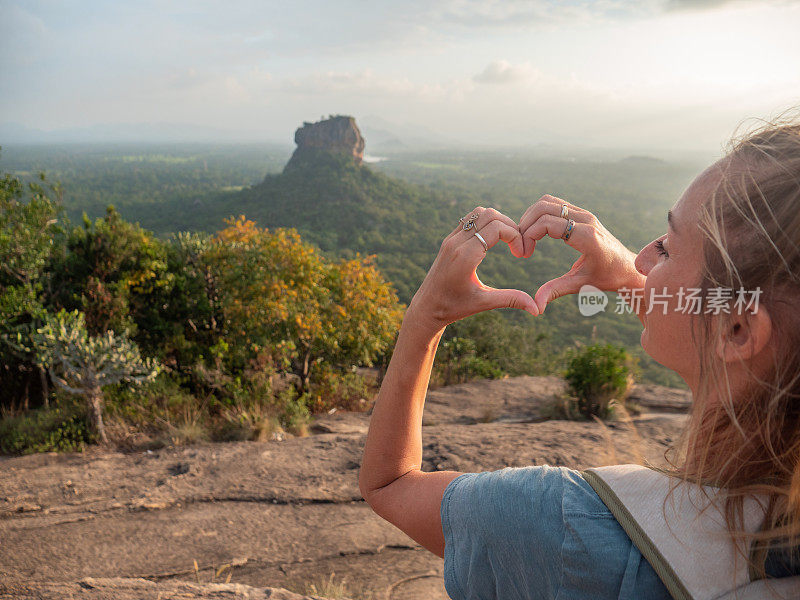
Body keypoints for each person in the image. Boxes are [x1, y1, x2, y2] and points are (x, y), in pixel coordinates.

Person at [358, 115, 800, 599]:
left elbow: (390, 484)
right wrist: (633, 284)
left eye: (668, 248)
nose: (641, 260)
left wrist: (425, 316)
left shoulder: (559, 524)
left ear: (738, 330)